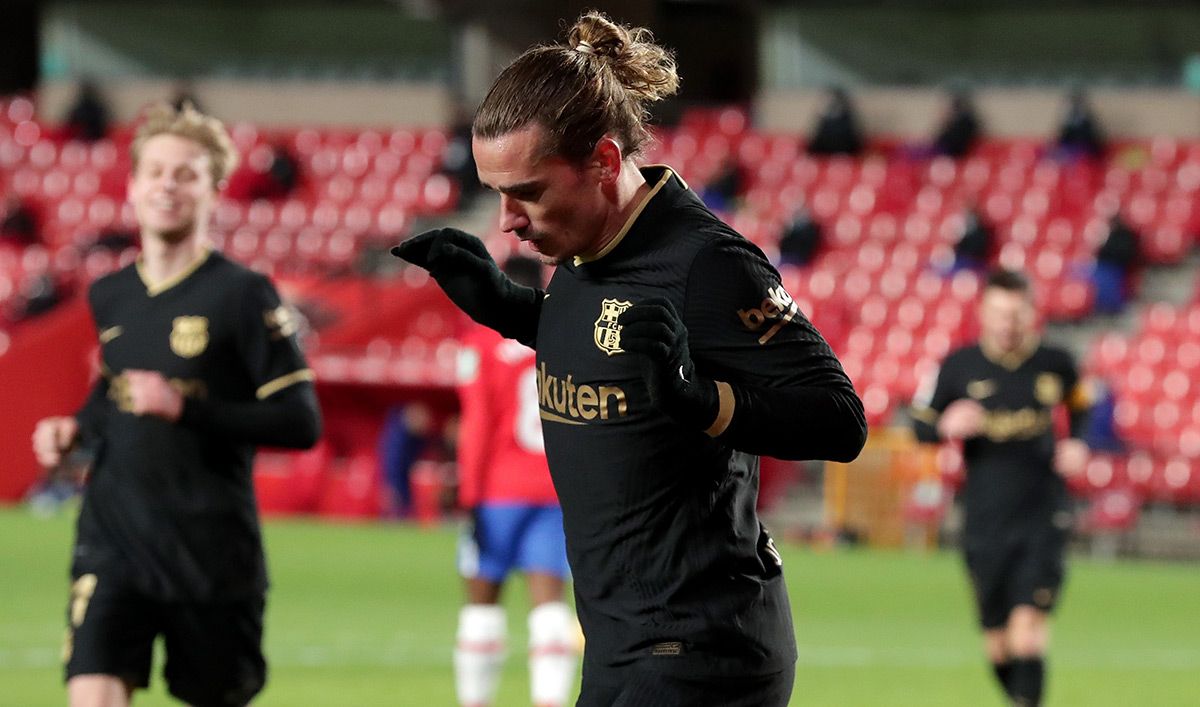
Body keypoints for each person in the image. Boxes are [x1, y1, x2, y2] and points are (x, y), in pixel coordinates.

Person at [392, 12, 866, 706]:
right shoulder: (584, 248)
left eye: (527, 192)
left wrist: (701, 401)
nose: (507, 220)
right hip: (623, 642)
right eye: (498, 194)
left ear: (605, 163)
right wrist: (516, 312)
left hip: (703, 650)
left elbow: (838, 419)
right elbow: (617, 349)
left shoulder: (707, 264)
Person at [30, 102, 322, 707]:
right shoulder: (110, 294)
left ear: (213, 191)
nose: (167, 184)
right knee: (92, 691)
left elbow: (301, 422)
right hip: (114, 540)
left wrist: (186, 410)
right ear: (133, 186)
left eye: (185, 173)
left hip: (210, 553)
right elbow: (112, 394)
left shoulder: (244, 294)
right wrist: (72, 432)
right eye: (156, 171)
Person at [910, 269, 1090, 707]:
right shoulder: (958, 366)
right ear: (983, 314)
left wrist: (1080, 443)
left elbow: (1084, 405)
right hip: (984, 521)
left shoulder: (1056, 363)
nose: (1008, 323)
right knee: (998, 642)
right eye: (999, 314)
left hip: (1042, 515)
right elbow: (920, 424)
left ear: (1031, 314)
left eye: (1016, 314)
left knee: (1027, 630)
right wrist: (947, 424)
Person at [453, 255, 577, 707]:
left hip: (497, 494)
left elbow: (477, 426)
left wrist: (468, 497)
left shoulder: (482, 343)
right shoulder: (562, 340)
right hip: (553, 489)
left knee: (482, 604)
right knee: (549, 606)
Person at [807, 85, 864, 157]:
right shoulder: (823, 120)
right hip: (823, 155)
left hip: (846, 155)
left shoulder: (847, 119)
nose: (833, 104)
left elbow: (854, 142)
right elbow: (815, 143)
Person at [1053, 89, 1105, 161]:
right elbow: (1062, 137)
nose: (1076, 105)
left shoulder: (1087, 119)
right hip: (1070, 149)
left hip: (1085, 148)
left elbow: (1093, 138)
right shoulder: (1067, 119)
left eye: (1079, 102)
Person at [932, 89, 981, 159]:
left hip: (957, 153)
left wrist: (946, 123)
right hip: (960, 153)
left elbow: (943, 139)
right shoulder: (967, 119)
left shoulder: (963, 121)